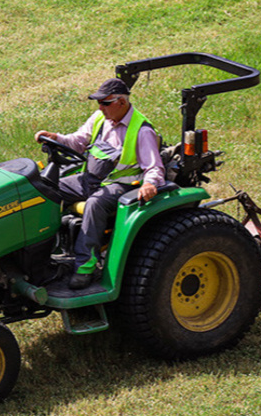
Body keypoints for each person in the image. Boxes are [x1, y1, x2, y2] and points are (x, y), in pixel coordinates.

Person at [34, 78, 165, 289]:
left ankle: (85, 267)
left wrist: (150, 184)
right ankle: (44, 250)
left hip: (121, 185)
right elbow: (77, 142)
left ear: (121, 102)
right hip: (91, 180)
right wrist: (55, 137)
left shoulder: (142, 131)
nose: (100, 107)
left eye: (105, 103)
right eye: (99, 103)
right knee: (46, 187)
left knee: (95, 204)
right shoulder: (99, 118)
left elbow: (154, 167)